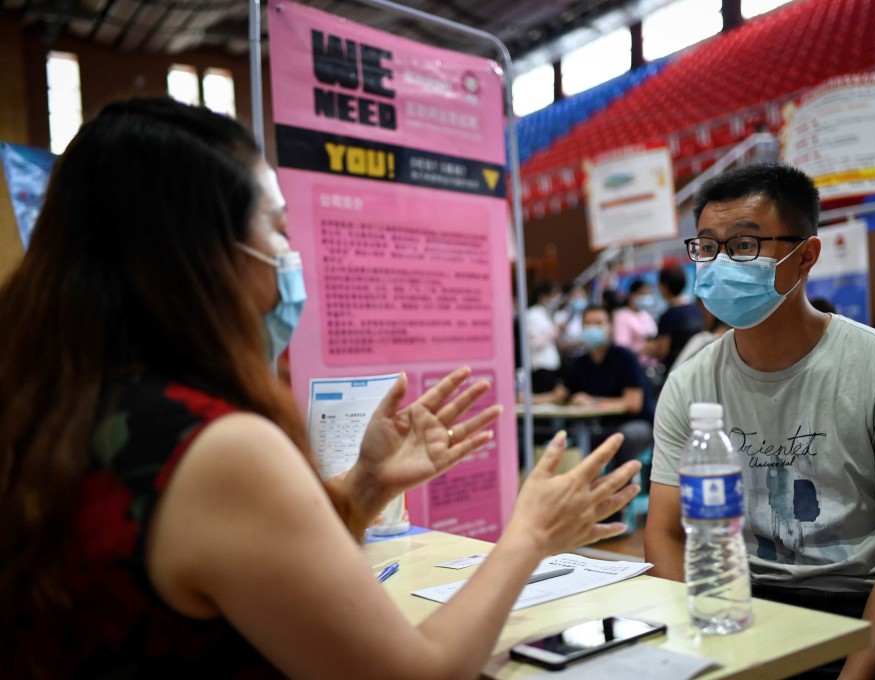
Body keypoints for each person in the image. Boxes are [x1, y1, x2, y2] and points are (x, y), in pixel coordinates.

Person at [0, 98, 642, 678]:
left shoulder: (53, 401)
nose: (287, 253)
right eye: (275, 229)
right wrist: (530, 535)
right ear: (205, 254)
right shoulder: (215, 444)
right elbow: (413, 674)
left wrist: (366, 484)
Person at [645, 162, 875, 679]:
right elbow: (666, 534)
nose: (721, 263)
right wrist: (709, 643)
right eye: (707, 247)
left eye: (745, 245)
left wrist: (855, 675)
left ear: (806, 257)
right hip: (747, 599)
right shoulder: (689, 384)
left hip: (873, 600)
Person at [546, 306, 654, 476]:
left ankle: (619, 493)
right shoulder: (580, 363)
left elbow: (633, 403)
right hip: (599, 426)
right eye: (588, 323)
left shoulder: (624, 357)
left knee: (622, 437)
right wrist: (524, 399)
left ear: (610, 328)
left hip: (637, 423)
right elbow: (558, 396)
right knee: (571, 441)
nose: (592, 328)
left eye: (598, 323)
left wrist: (593, 401)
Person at [650, 265, 705, 369]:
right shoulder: (695, 308)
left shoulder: (669, 315)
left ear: (664, 286)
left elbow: (663, 351)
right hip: (698, 363)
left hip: (678, 368)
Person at [525, 280, 563, 394]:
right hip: (541, 365)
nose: (556, 298)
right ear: (543, 295)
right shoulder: (532, 314)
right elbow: (535, 343)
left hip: (551, 364)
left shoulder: (545, 313)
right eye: (554, 294)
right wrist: (556, 330)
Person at [612, 279, 659, 362]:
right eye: (643, 294)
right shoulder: (622, 316)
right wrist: (644, 349)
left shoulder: (645, 314)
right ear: (632, 295)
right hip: (634, 365)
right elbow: (621, 349)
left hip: (651, 366)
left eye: (648, 294)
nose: (646, 297)